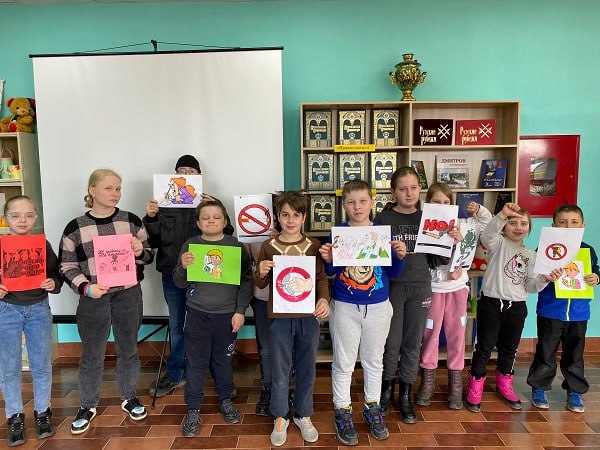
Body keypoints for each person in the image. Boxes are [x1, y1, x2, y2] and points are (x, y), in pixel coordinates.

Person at [59, 168, 154, 434]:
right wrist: (86, 288)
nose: (115, 193)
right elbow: (66, 266)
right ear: (92, 190)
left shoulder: (131, 220)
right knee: (92, 352)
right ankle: (87, 404)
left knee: (128, 347)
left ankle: (129, 396)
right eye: (108, 188)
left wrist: (140, 251)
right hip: (93, 297)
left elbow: (148, 256)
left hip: (128, 294)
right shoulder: (76, 227)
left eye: (118, 188)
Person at [319, 180, 406, 446]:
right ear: (344, 204)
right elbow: (331, 272)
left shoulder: (381, 234)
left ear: (372, 202)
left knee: (373, 361)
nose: (357, 207)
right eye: (351, 202)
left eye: (362, 201)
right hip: (345, 306)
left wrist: (399, 256)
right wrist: (328, 260)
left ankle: (372, 407)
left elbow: (393, 274)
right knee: (343, 362)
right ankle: (342, 411)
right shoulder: (338, 234)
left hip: (378, 307)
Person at [144, 154, 234, 397]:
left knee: (212, 324)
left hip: (206, 275)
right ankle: (176, 373)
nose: (186, 174)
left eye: (191, 171)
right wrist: (151, 217)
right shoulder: (163, 203)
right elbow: (153, 241)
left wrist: (219, 209)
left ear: (199, 176)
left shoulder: (209, 205)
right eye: (181, 171)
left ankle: (219, 375)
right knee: (177, 324)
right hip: (172, 272)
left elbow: (228, 236)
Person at [465, 202, 562, 413]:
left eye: (523, 224)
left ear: (529, 228)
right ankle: (475, 384)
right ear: (505, 226)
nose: (518, 227)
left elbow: (530, 286)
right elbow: (487, 236)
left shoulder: (531, 255)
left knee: (509, 348)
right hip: (491, 303)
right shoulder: (498, 243)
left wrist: (544, 279)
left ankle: (504, 383)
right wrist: (502, 215)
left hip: (517, 307)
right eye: (513, 223)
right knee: (484, 346)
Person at [254, 191, 330, 447]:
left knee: (307, 366)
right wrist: (260, 271)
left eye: (296, 215)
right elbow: (260, 283)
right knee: (280, 367)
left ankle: (303, 413)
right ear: (277, 216)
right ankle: (280, 415)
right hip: (279, 316)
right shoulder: (268, 246)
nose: (290, 220)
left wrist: (323, 300)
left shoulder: (313, 246)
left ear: (304, 217)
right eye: (285, 215)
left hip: (308, 316)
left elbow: (320, 278)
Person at [173, 200, 252, 437]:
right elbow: (179, 282)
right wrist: (183, 266)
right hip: (196, 314)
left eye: (216, 217)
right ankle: (193, 409)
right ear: (198, 223)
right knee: (195, 363)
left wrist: (240, 311)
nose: (211, 221)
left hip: (227, 316)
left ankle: (225, 399)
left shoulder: (236, 247)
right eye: (205, 218)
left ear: (225, 221)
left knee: (223, 361)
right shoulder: (190, 245)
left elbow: (246, 281)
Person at [415, 183, 491, 410]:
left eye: (446, 202)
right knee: (430, 334)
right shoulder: (424, 226)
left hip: (457, 289)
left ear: (452, 204)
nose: (441, 206)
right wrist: (443, 274)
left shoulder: (462, 224)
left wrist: (479, 210)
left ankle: (455, 387)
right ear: (427, 203)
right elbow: (423, 263)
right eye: (436, 202)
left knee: (457, 335)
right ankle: (427, 383)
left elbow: (486, 224)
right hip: (433, 289)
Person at [0, 196, 62, 447]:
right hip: (7, 309)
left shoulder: (42, 244)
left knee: (41, 363)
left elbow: (56, 273)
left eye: (28, 215)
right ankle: (14, 416)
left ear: (35, 218)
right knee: (9, 366)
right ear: (6, 219)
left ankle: (43, 412)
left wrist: (53, 282)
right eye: (15, 216)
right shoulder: (1, 245)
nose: (22, 220)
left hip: (38, 308)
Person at [527, 204, 599, 412]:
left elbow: (595, 270)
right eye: (562, 222)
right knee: (546, 351)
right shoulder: (545, 249)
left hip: (579, 312)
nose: (569, 227)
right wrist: (546, 276)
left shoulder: (588, 250)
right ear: (554, 226)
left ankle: (575, 391)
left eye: (574, 222)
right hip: (550, 310)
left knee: (575, 354)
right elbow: (535, 276)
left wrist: (596, 277)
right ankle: (539, 388)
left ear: (582, 226)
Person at [374, 166, 431, 423]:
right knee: (391, 341)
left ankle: (405, 394)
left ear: (420, 189)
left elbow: (440, 259)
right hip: (393, 287)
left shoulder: (428, 218)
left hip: (421, 287)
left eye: (414, 188)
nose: (409, 193)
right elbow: (374, 255)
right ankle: (387, 390)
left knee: (412, 342)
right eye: (403, 189)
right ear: (393, 191)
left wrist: (452, 241)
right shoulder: (384, 218)